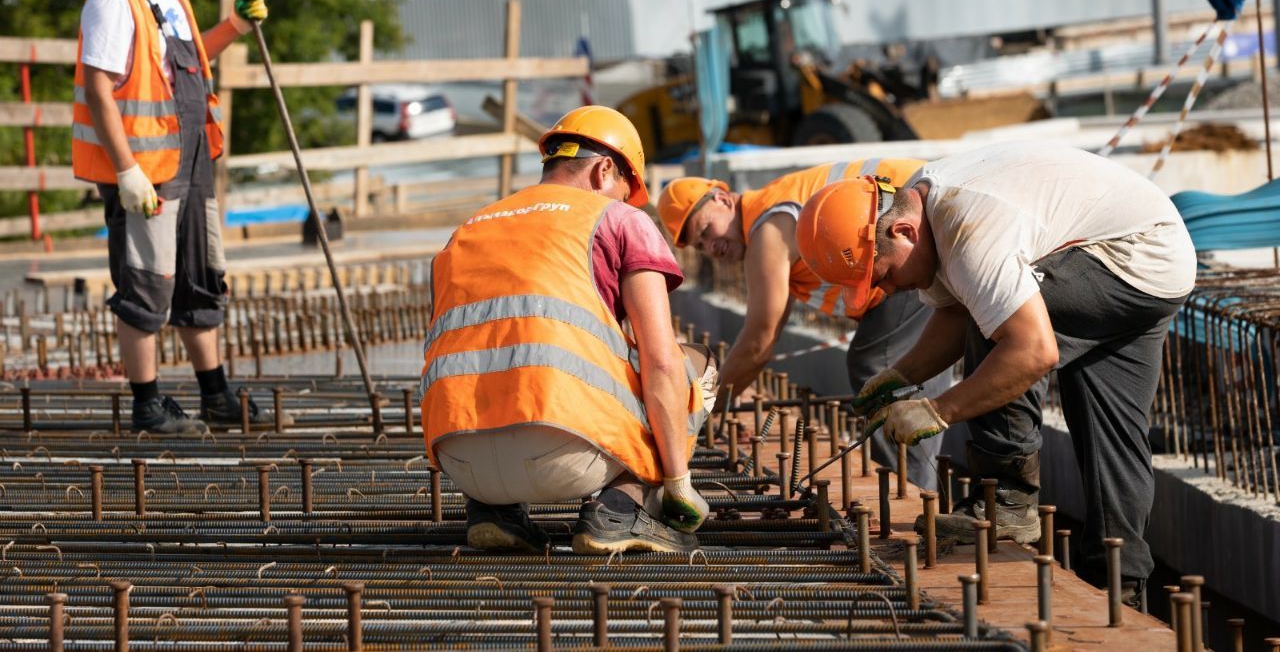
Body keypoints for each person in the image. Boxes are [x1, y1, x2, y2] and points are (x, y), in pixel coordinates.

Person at [795, 141, 1195, 603]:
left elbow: (1031, 350)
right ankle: (1122, 587)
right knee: (1113, 435)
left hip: (1125, 254)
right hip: (1156, 262)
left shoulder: (968, 227)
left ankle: (1006, 498)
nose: (887, 289)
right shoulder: (930, 210)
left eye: (880, 276)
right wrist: (900, 376)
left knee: (1006, 326)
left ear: (903, 231)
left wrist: (938, 410)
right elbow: (950, 315)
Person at [419, 106, 717, 555]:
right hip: (567, 454)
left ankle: (495, 513)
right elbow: (660, 361)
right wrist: (677, 483)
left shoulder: (469, 228)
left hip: (461, 462)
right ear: (603, 171)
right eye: (623, 190)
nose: (621, 202)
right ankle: (620, 508)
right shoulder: (619, 220)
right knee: (691, 364)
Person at [72, 0, 271, 435]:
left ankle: (216, 396)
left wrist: (235, 25)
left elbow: (188, 63)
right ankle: (148, 405)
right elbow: (98, 89)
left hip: (191, 164)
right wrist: (126, 169)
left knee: (199, 279)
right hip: (146, 175)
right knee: (147, 283)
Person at [657, 159, 949, 490]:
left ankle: (912, 491)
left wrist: (704, 413)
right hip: (914, 231)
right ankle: (914, 485)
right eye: (700, 246)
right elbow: (768, 331)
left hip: (907, 243)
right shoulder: (769, 216)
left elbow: (759, 342)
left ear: (722, 200)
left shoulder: (768, 229)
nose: (712, 247)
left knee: (876, 364)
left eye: (707, 231)